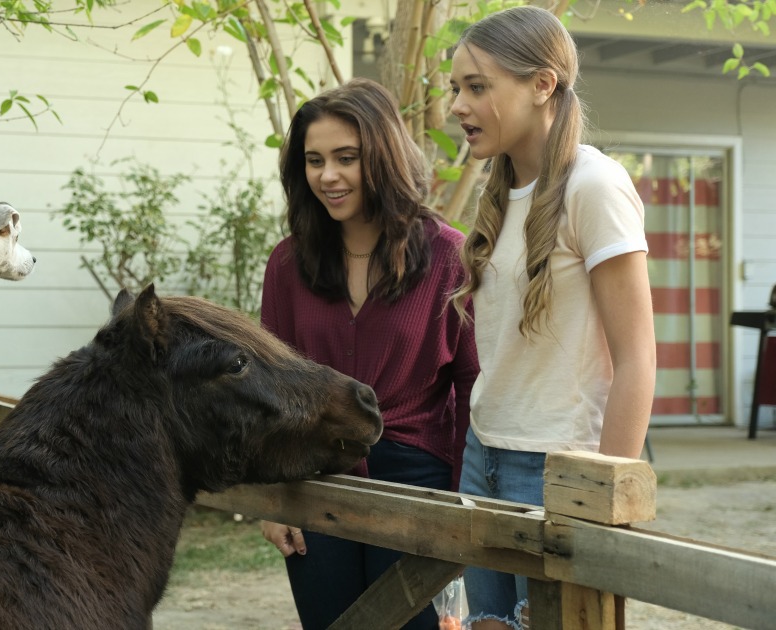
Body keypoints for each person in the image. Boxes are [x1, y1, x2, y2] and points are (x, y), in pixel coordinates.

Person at [447, 6, 657, 629]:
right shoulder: (500, 187)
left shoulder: (595, 185)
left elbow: (638, 357)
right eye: (455, 87)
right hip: (481, 452)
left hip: (557, 467)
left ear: (543, 85)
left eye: (477, 87)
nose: (457, 105)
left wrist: (603, 498)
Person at [259, 77, 479, 630]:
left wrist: (461, 503)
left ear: (380, 156)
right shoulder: (288, 265)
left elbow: (470, 386)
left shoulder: (449, 257)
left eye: (346, 157)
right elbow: (268, 387)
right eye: (314, 160)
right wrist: (272, 496)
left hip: (417, 483)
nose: (327, 176)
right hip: (314, 478)